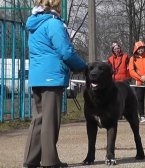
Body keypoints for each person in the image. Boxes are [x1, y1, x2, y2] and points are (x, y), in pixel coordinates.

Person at [23, 0, 87, 167]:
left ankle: (31, 159)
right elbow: (65, 51)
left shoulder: (34, 25)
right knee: (50, 120)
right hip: (52, 77)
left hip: (37, 78)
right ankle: (50, 161)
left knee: (38, 119)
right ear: (54, 6)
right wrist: (82, 67)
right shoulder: (53, 23)